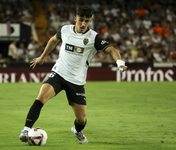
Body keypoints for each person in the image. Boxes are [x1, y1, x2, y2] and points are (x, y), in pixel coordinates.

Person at [19, 6, 127, 144]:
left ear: (90, 21)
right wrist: (42, 57)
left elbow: (111, 49)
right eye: (81, 20)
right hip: (58, 73)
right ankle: (25, 130)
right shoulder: (65, 29)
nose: (83, 24)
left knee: (81, 120)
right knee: (41, 96)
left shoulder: (93, 37)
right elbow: (53, 40)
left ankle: (77, 130)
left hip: (76, 81)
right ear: (75, 19)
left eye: (86, 21)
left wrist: (119, 62)